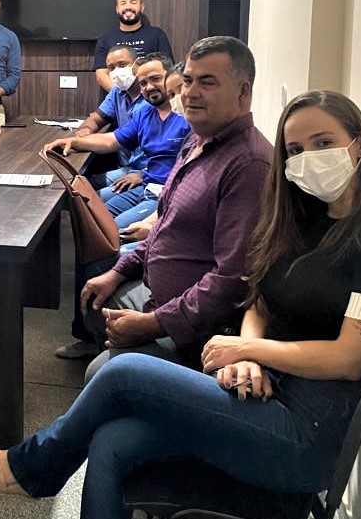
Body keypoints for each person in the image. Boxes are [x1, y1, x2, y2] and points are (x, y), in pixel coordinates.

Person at [0, 89, 361, 519]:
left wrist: (250, 352)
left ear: (359, 145)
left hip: (299, 433)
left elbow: (351, 357)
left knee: (122, 373)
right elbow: (260, 299)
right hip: (259, 395)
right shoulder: (303, 217)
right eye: (296, 149)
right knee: (112, 443)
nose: (308, 159)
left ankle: (37, 467)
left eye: (323, 143)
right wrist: (250, 349)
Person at [56, 37, 272, 366]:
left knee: (102, 373)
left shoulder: (249, 165)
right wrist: (119, 272)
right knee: (98, 284)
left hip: (192, 332)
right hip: (155, 297)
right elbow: (165, 226)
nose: (190, 93)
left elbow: (231, 280)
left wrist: (152, 324)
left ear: (243, 92)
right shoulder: (197, 141)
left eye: (207, 82)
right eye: (188, 81)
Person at [47, 54, 190, 230]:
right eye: (143, 83)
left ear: (171, 78)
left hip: (166, 194)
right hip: (146, 186)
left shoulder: (188, 118)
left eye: (155, 79)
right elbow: (111, 140)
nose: (149, 87)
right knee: (93, 215)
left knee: (111, 230)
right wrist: (73, 142)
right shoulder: (146, 114)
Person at [74, 44, 147, 187]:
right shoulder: (117, 92)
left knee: (86, 190)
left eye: (122, 65)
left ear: (138, 64)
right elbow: (96, 119)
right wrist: (86, 129)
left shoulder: (152, 95)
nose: (117, 72)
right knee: (81, 184)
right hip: (126, 167)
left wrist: (144, 174)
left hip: (146, 171)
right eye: (111, 68)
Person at [93, 0, 173, 93]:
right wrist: (122, 96)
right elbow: (101, 74)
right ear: (117, 9)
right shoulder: (106, 38)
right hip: (115, 100)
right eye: (123, 3)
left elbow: (167, 68)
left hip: (149, 97)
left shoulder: (157, 34)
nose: (128, 7)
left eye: (133, 2)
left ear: (142, 7)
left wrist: (144, 94)